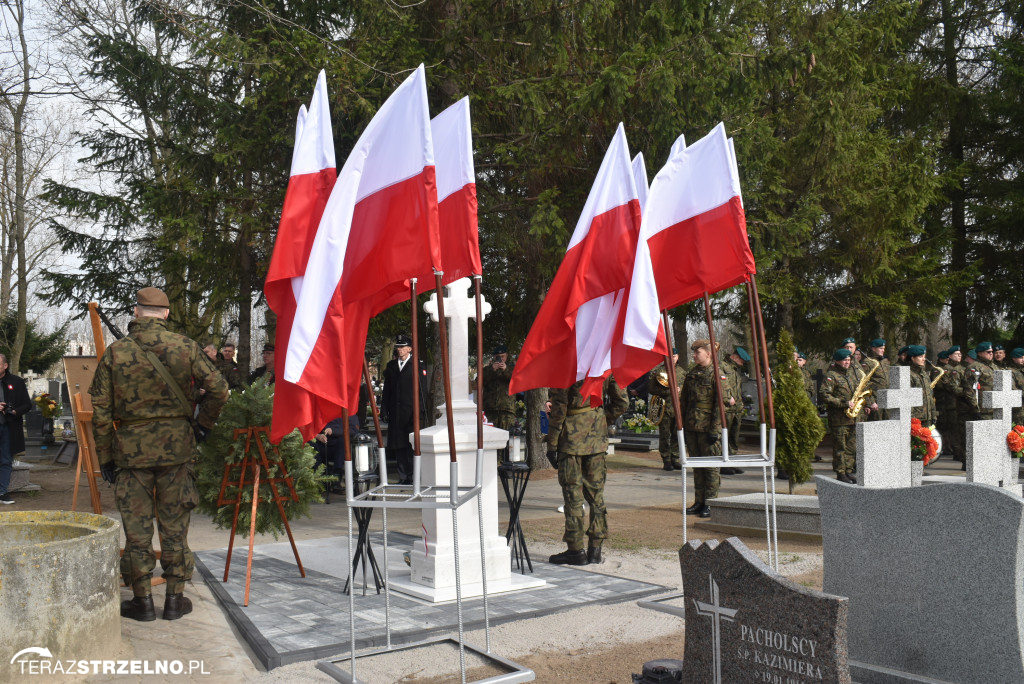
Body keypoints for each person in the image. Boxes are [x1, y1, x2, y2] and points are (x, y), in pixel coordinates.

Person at [90, 287, 228, 622]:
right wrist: (203, 426)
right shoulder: (186, 346)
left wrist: (105, 457)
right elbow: (220, 389)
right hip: (177, 452)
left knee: (136, 531)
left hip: (130, 455)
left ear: (137, 313)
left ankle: (142, 603)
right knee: (174, 528)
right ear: (165, 314)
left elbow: (101, 412)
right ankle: (174, 600)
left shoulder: (115, 353)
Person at [546, 375, 627, 565]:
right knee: (596, 496)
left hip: (571, 440)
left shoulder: (569, 365)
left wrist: (552, 444)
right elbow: (622, 402)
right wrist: (598, 418)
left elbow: (559, 409)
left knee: (573, 496)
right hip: (596, 439)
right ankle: (595, 549)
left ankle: (575, 550)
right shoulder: (604, 363)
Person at [682, 339, 724, 518]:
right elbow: (684, 400)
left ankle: (711, 502)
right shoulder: (692, 374)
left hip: (708, 428)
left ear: (708, 353)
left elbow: (720, 405)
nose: (694, 355)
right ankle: (699, 501)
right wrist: (682, 425)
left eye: (697, 352)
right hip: (692, 426)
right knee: (697, 467)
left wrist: (715, 429)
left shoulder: (717, 374)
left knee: (711, 467)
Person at [381, 333, 429, 485]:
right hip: (396, 412)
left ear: (409, 349)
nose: (399, 350)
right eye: (398, 347)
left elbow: (423, 390)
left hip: (411, 413)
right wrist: (384, 409)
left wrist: (420, 410)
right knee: (398, 445)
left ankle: (413, 475)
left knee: (411, 445)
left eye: (402, 347)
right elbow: (387, 390)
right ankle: (403, 476)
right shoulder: (391, 367)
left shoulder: (417, 365)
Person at [820, 348, 863, 483]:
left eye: (849, 360)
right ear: (838, 361)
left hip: (853, 418)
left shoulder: (851, 374)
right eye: (845, 360)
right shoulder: (831, 376)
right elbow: (824, 395)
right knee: (840, 447)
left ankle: (848, 471)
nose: (847, 362)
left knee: (851, 447)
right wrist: (843, 403)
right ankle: (840, 472)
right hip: (839, 419)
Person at [0, 353, 32, 505]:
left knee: (6, 459)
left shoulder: (16, 382)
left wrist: (14, 411)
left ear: (5, 366)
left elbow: (27, 404)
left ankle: (2, 492)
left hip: (9, 426)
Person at [648, 349, 684, 471]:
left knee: (677, 435)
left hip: (678, 409)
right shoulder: (659, 371)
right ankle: (666, 460)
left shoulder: (682, 372)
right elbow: (651, 389)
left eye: (674, 356)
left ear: (677, 357)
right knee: (665, 435)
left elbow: (688, 389)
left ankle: (675, 458)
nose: (672, 359)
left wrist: (681, 390)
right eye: (669, 357)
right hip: (664, 408)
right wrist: (670, 391)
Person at [481, 345, 516, 460]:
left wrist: (505, 370)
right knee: (491, 439)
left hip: (507, 409)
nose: (500, 359)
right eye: (498, 357)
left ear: (506, 356)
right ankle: (492, 463)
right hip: (490, 410)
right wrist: (492, 370)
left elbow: (516, 380)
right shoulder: (487, 370)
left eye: (502, 356)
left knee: (507, 438)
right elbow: (479, 382)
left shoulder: (512, 369)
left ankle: (506, 465)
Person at [721, 346, 750, 466]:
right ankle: (724, 462)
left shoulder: (735, 370)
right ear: (735, 357)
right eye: (741, 361)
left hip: (736, 409)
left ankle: (731, 461)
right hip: (726, 409)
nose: (742, 364)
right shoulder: (722, 366)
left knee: (733, 437)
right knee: (724, 436)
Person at [907, 346, 937, 427]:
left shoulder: (924, 374)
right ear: (913, 358)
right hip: (917, 418)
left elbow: (930, 396)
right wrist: (912, 418)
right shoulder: (908, 374)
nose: (924, 359)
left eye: (924, 356)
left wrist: (933, 414)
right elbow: (908, 398)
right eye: (920, 357)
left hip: (928, 417)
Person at [865, 338, 889, 421]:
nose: (883, 350)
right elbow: (864, 384)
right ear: (873, 348)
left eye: (884, 348)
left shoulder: (885, 361)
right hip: (875, 399)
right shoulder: (868, 362)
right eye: (880, 348)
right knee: (876, 426)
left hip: (887, 398)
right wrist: (870, 402)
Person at [973, 342, 996, 418]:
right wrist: (976, 408)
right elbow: (970, 390)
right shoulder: (975, 367)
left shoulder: (995, 367)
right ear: (980, 353)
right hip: (983, 408)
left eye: (992, 352)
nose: (991, 354)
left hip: (997, 406)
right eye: (988, 352)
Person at [1010, 348, 1024, 426]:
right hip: (1019, 408)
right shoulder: (1010, 371)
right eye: (1021, 357)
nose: (1023, 359)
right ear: (1014, 358)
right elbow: (1013, 389)